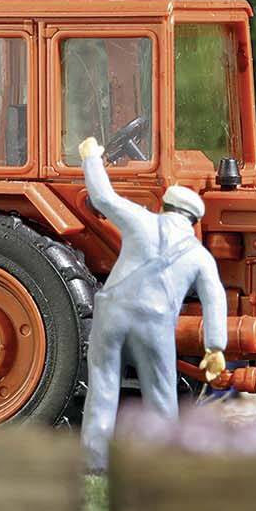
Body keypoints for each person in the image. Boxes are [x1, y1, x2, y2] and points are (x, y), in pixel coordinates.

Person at [77, 135, 227, 473]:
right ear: (193, 221)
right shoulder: (200, 256)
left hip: (112, 314)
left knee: (103, 385)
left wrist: (91, 158)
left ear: (165, 206)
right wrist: (215, 347)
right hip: (155, 324)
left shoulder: (141, 220)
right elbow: (215, 296)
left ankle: (95, 460)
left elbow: (103, 197)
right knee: (160, 391)